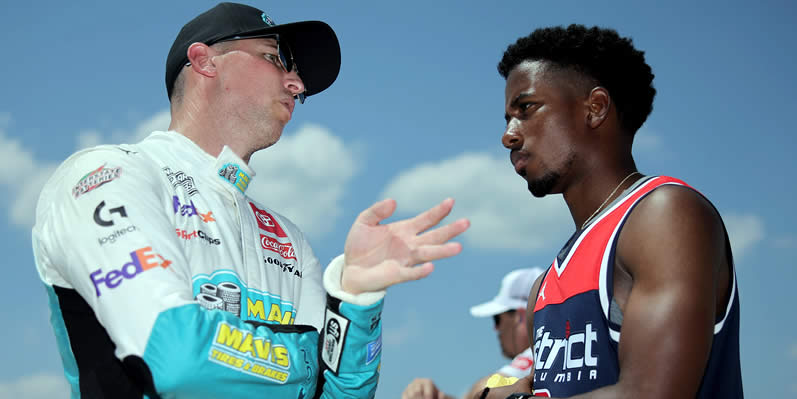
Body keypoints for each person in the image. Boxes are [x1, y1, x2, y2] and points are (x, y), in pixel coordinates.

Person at [31, 3, 469, 398]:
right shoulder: (107, 174)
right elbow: (175, 357)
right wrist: (305, 362)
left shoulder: (289, 239)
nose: (297, 84)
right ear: (205, 62)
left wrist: (355, 298)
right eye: (275, 58)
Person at [481, 25, 743, 398]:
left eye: (526, 109)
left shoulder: (664, 214)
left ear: (595, 108)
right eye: (508, 118)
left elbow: (651, 393)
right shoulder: (543, 288)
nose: (509, 134)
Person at [402, 268, 544, 399]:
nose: (496, 328)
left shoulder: (539, 354)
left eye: (497, 319)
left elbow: (487, 389)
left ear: (520, 316)